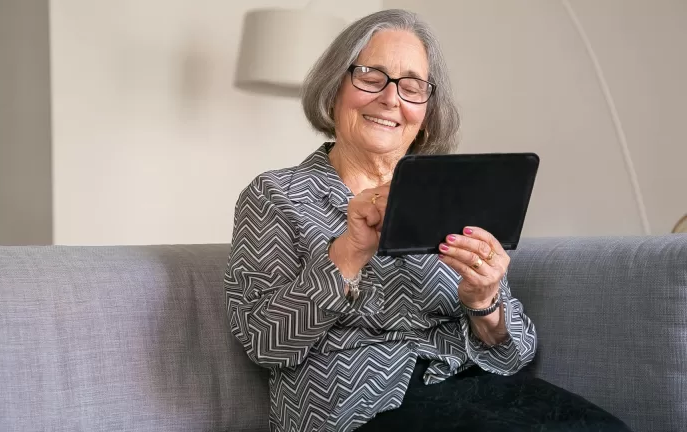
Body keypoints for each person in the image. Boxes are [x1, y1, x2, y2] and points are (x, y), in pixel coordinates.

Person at [224, 9, 631, 432]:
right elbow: (264, 343)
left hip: (468, 383)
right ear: (333, 91)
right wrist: (348, 252)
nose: (390, 98)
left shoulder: (452, 191)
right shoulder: (276, 194)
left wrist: (484, 301)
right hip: (357, 405)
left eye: (412, 86)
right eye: (370, 76)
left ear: (425, 114)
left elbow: (515, 355)